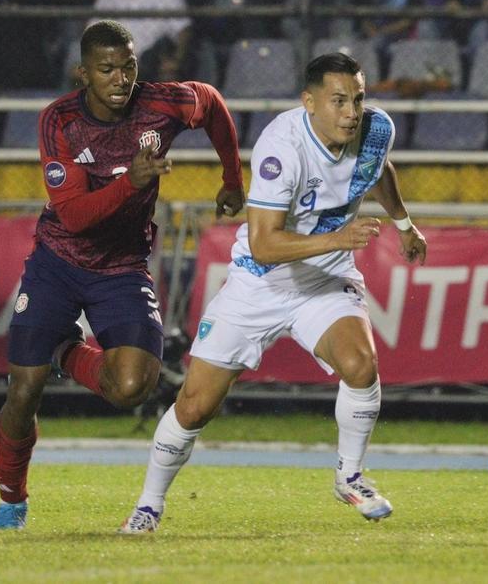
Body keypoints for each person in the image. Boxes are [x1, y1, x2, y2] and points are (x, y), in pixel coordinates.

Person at [118, 52, 428, 534]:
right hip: (258, 285)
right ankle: (149, 504)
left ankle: (350, 475)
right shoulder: (281, 148)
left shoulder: (375, 129)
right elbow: (263, 245)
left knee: (361, 365)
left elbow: (377, 170)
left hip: (323, 282)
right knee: (195, 406)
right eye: (339, 101)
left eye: (358, 100)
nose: (352, 112)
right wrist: (337, 239)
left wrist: (404, 223)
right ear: (310, 102)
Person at [0, 19, 246, 530]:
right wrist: (133, 181)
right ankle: (12, 497)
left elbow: (212, 103)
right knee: (23, 391)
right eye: (106, 69)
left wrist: (231, 177)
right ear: (82, 73)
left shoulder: (163, 103)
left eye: (128, 66)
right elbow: (75, 217)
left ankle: (64, 350)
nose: (120, 78)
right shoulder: (58, 121)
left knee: (133, 385)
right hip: (58, 263)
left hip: (122, 267)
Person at [91, 0, 193, 82]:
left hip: (155, 65)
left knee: (169, 74)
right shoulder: (106, 0)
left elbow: (184, 31)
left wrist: (176, 60)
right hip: (117, 65)